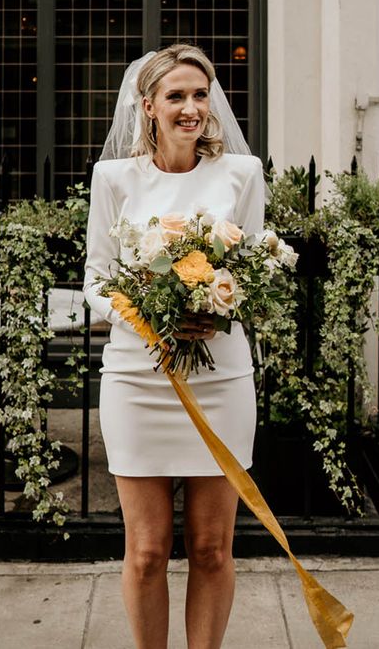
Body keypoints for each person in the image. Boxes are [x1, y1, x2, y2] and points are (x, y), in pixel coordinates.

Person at [83, 43, 265, 649]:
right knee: (146, 552)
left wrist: (217, 304)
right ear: (148, 106)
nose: (192, 108)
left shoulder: (243, 174)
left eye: (200, 94)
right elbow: (95, 280)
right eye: (177, 96)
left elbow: (254, 270)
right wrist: (149, 316)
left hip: (221, 379)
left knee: (212, 549)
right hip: (138, 379)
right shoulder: (113, 179)